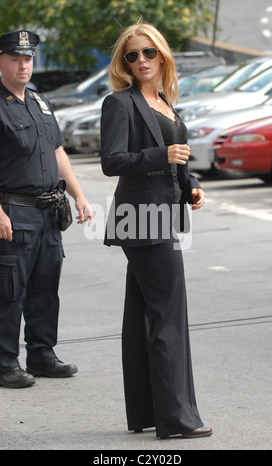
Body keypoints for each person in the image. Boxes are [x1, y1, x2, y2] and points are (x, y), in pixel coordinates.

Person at [100, 20, 212, 439]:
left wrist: (193, 186)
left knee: (145, 314)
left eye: (149, 52)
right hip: (142, 219)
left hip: (164, 214)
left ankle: (148, 412)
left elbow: (178, 160)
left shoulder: (165, 101)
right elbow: (111, 161)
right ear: (124, 63)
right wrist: (158, 154)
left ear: (162, 55)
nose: (142, 60)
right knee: (168, 316)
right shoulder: (120, 103)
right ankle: (177, 419)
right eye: (132, 55)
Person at [0, 30, 93, 389]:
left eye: (28, 59)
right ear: (1, 61)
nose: (24, 65)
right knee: (9, 290)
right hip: (14, 210)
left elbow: (57, 153)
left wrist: (79, 196)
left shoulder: (40, 102)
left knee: (44, 288)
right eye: (15, 58)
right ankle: (5, 362)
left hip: (48, 211)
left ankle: (41, 355)